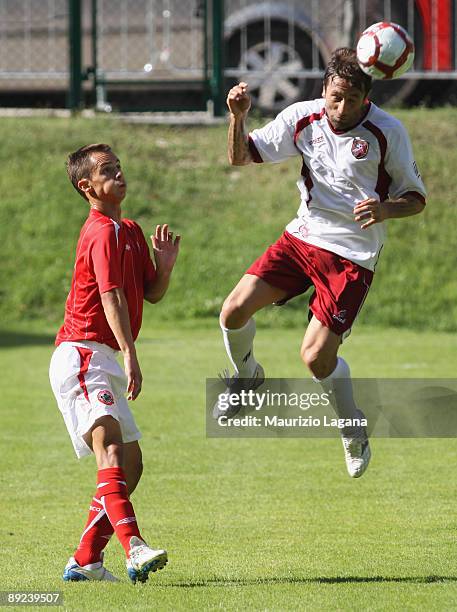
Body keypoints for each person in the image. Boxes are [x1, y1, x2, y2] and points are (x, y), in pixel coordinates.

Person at [213, 48, 426, 478]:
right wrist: (237, 116)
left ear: (368, 96)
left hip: (352, 256)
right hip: (302, 237)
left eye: (352, 99)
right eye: (334, 96)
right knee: (232, 312)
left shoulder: (388, 132)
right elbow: (242, 156)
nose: (341, 107)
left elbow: (416, 199)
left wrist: (385, 210)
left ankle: (351, 427)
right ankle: (248, 377)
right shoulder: (303, 118)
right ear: (324, 89)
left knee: (314, 358)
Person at [49, 143, 180, 583]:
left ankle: (86, 558)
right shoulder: (100, 231)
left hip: (102, 355)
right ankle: (135, 547)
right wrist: (130, 351)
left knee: (131, 463)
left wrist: (164, 268)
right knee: (110, 450)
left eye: (120, 167)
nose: (119, 174)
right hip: (83, 354)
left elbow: (150, 293)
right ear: (86, 187)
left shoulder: (130, 230)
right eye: (108, 170)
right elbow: (111, 296)